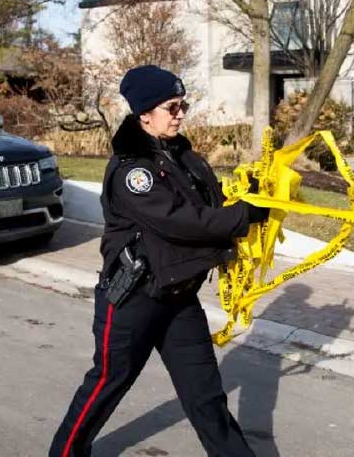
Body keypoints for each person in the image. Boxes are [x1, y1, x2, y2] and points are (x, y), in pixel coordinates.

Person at [49, 65, 268, 457]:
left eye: (183, 104)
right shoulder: (133, 170)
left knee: (206, 395)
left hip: (179, 295)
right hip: (135, 298)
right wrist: (243, 216)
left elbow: (210, 204)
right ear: (144, 114)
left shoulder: (184, 156)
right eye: (172, 106)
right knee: (107, 383)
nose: (181, 112)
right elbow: (181, 221)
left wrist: (249, 194)